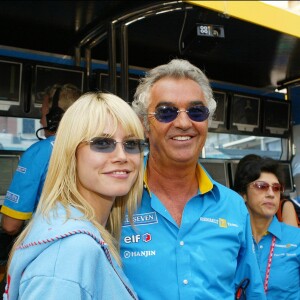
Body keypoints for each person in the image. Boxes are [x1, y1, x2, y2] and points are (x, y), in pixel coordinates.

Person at [120, 59, 266, 299]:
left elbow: (253, 292)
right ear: (144, 125)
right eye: (166, 112)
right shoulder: (115, 201)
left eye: (196, 111)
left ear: (207, 121)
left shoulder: (233, 207)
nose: (184, 123)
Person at [3, 92, 146, 299]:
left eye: (131, 144)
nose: (122, 156)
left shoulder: (63, 226)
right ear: (71, 154)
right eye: (102, 143)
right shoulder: (70, 254)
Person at [0, 84, 82, 235]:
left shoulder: (39, 152)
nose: (40, 121)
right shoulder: (94, 148)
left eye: (43, 114)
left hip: (50, 242)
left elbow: (10, 225)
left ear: (55, 116)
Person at [233, 154, 300, 299]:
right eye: (261, 186)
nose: (270, 194)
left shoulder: (296, 240)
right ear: (244, 194)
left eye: (276, 188)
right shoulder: (230, 239)